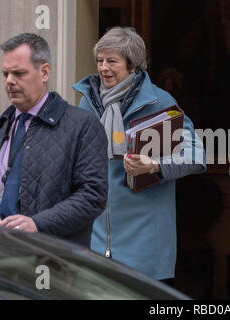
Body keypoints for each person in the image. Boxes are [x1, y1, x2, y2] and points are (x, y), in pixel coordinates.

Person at [73, 27, 206, 280]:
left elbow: (195, 155)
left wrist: (154, 164)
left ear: (133, 66)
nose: (103, 68)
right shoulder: (87, 102)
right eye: (100, 61)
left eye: (112, 61)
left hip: (143, 241)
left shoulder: (159, 102)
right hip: (97, 237)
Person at [0, 33, 108, 247]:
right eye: (5, 74)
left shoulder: (83, 125)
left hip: (54, 263)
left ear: (44, 72)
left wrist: (37, 224)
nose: (9, 81)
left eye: (18, 73)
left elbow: (92, 196)